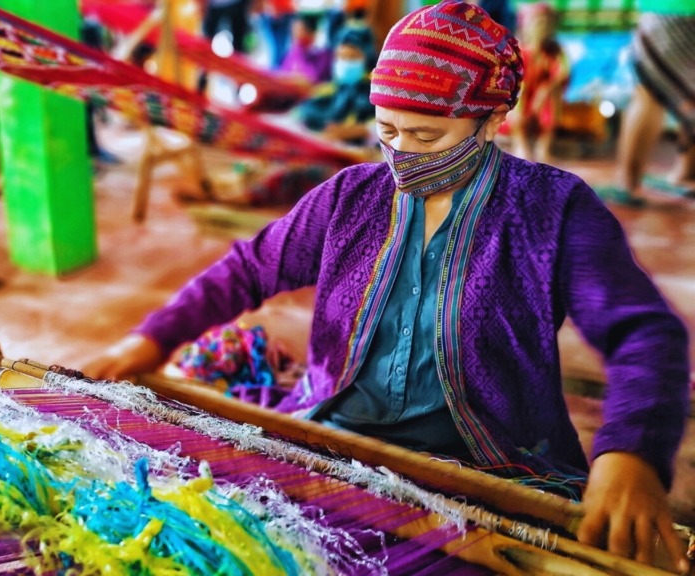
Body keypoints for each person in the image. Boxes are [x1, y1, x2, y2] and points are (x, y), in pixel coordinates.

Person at [85, 1, 691, 570]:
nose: (402, 153)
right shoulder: (351, 198)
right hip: (330, 444)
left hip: (489, 471)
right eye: (387, 131)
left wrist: (631, 452)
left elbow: (644, 334)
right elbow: (247, 268)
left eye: (427, 137)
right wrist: (149, 339)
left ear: (494, 120)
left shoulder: (552, 211)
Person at [598, 0, 695, 205]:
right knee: (690, 91)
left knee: (648, 92)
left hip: (671, 11)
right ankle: (685, 175)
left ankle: (628, 185)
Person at [506, 2, 569, 163]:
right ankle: (520, 143)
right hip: (519, 99)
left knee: (551, 98)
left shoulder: (554, 51)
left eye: (547, 22)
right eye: (538, 22)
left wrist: (544, 91)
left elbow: (562, 73)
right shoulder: (519, 50)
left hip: (541, 102)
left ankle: (544, 146)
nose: (543, 26)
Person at [299, 26, 375, 143]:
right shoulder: (333, 88)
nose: (345, 62)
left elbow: (382, 127)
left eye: (352, 57)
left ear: (367, 59)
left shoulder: (375, 94)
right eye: (340, 56)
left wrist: (356, 131)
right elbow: (307, 109)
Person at [278, 14, 332, 84]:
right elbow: (282, 75)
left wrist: (299, 52)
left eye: (299, 30)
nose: (295, 34)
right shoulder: (291, 54)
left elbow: (312, 78)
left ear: (313, 33)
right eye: (293, 30)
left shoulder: (324, 55)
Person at [256, 0, 296, 69]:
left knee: (283, 50)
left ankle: (277, 73)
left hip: (286, 13)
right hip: (270, 15)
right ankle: (274, 73)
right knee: (274, 51)